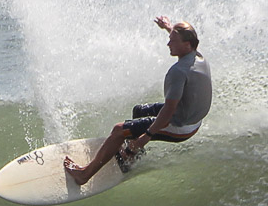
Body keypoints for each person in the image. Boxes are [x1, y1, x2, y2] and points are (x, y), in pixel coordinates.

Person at [63, 15, 212, 186]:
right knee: (139, 111)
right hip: (192, 116)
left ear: (186, 45)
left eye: (172, 41)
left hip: (182, 126)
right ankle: (129, 157)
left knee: (119, 130)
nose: (168, 44)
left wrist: (144, 137)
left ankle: (84, 174)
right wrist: (168, 27)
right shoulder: (198, 56)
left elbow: (168, 112)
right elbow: (186, 38)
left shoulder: (178, 72)